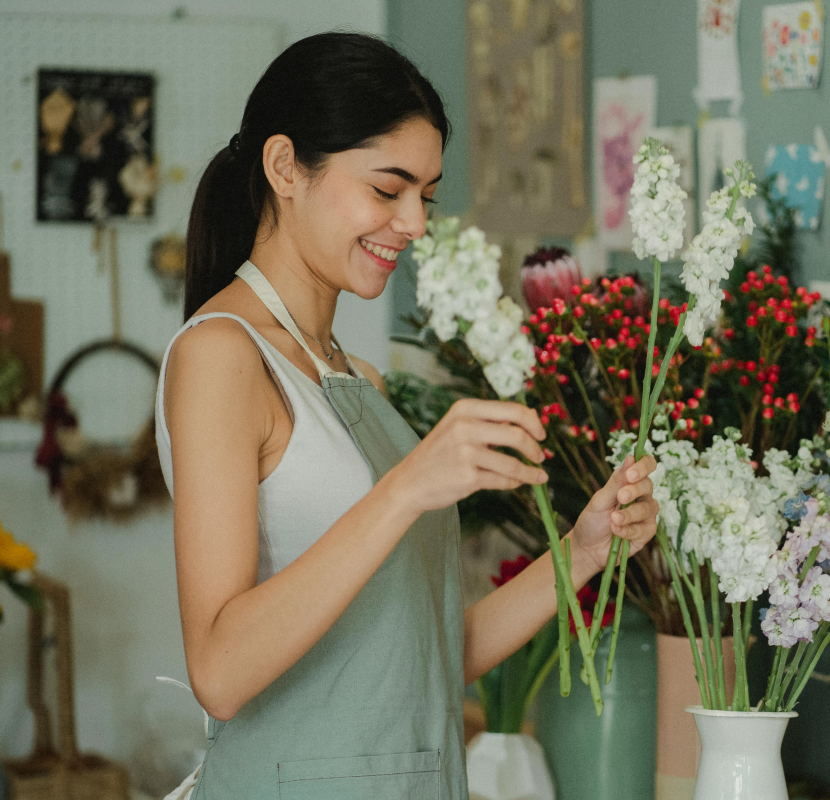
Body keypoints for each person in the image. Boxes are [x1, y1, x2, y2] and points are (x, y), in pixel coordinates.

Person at [155, 32, 658, 799]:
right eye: (388, 190)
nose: (415, 224)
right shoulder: (222, 355)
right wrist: (405, 488)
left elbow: (424, 654)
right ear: (286, 167)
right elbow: (219, 672)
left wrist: (584, 554)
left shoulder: (359, 381)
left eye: (426, 194)